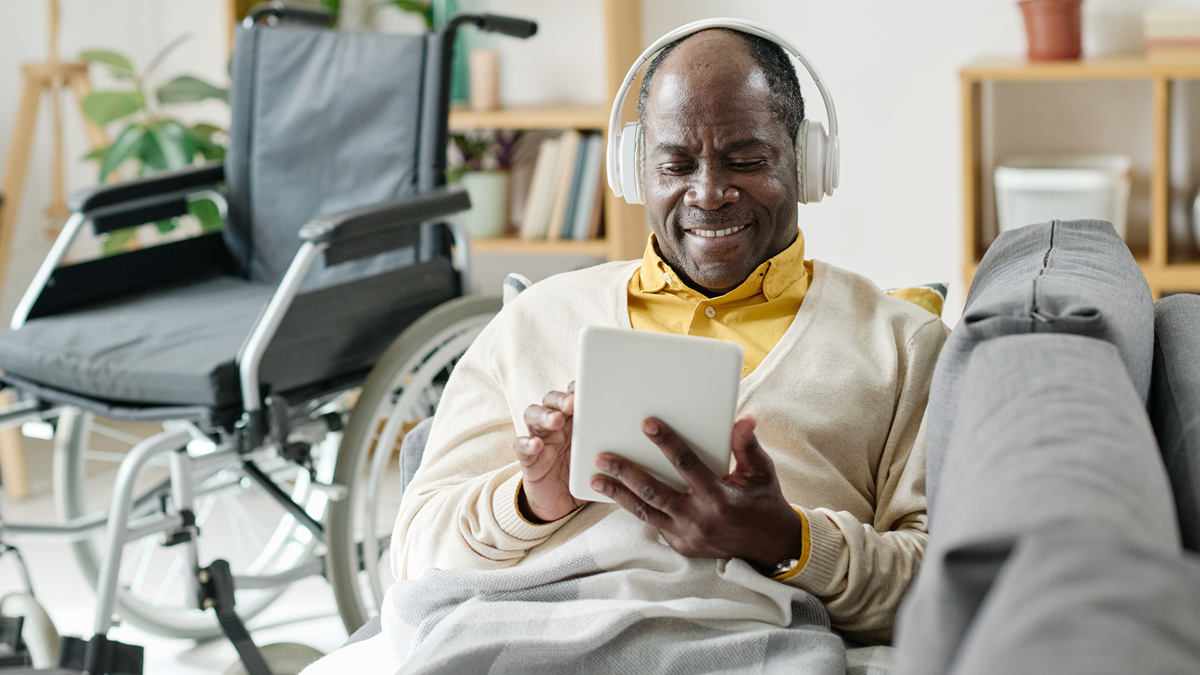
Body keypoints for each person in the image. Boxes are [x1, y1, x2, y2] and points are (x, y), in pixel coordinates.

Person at [304, 23, 948, 674]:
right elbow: (415, 555)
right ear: (635, 169)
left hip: (745, 642)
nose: (707, 193)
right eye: (676, 165)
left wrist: (790, 540)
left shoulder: (901, 344)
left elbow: (944, 582)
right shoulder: (536, 322)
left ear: (808, 163)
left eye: (746, 160)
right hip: (517, 635)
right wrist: (530, 501)